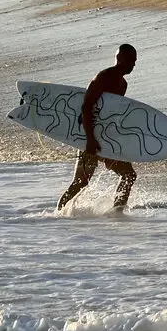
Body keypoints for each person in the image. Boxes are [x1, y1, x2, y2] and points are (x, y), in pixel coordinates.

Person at [56, 43, 138, 211]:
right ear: (119, 59)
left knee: (129, 175)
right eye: (130, 60)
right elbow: (86, 108)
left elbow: (109, 113)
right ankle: (57, 214)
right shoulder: (103, 77)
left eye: (135, 61)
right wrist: (90, 139)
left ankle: (117, 212)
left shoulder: (123, 84)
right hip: (89, 137)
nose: (133, 64)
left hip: (106, 138)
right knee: (81, 182)